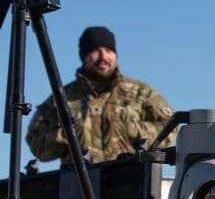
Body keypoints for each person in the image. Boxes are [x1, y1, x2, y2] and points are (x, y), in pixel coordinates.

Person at [26, 26, 174, 164]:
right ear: (84, 56)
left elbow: (171, 127)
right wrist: (67, 136)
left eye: (109, 50)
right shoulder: (62, 97)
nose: (103, 57)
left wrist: (135, 130)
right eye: (95, 51)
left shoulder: (140, 92)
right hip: (78, 184)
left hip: (130, 182)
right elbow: (35, 141)